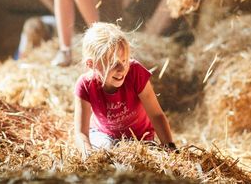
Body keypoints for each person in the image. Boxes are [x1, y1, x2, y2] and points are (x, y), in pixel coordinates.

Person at [74, 22, 176, 158]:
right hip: (104, 135)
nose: (121, 69)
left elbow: (156, 115)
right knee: (105, 152)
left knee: (143, 159)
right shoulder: (85, 85)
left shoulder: (135, 72)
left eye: (124, 61)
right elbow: (81, 133)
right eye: (112, 63)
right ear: (91, 64)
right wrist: (88, 157)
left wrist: (170, 148)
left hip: (140, 138)